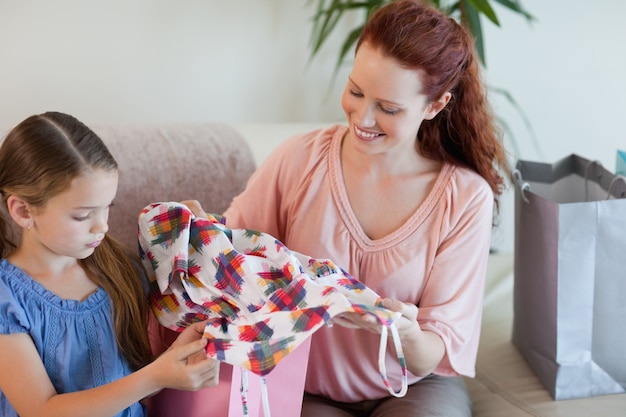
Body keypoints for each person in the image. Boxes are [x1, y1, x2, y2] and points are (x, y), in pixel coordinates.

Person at [222, 1, 509, 416]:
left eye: (389, 108)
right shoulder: (298, 161)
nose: (363, 117)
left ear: (435, 105)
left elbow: (432, 352)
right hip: (302, 386)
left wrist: (407, 333)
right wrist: (205, 234)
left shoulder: (464, 198)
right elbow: (232, 260)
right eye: (356, 91)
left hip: (413, 387)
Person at [0, 112, 220, 417]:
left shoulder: (118, 268)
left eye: (107, 208)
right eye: (83, 215)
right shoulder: (6, 298)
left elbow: (129, 384)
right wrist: (156, 376)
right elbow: (41, 410)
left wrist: (174, 361)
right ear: (23, 211)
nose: (101, 227)